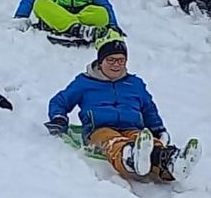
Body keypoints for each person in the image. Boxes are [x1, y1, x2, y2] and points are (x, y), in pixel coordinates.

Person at [45, 38, 185, 183]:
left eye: (121, 60)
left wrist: (158, 129)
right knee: (112, 140)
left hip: (131, 127)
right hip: (99, 129)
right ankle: (128, 158)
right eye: (111, 60)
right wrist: (58, 118)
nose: (116, 64)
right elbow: (60, 101)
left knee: (145, 141)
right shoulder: (84, 83)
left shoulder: (134, 84)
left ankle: (168, 163)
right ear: (101, 62)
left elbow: (149, 109)